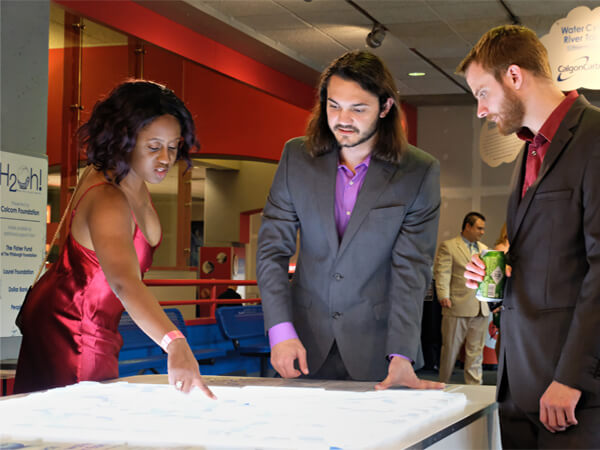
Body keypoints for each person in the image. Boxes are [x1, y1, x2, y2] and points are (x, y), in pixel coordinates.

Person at [256, 50, 443, 390]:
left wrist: (401, 353)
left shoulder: (418, 171)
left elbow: (412, 270)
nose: (343, 118)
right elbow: (272, 251)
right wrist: (280, 331)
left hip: (378, 347)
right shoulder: (295, 158)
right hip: (301, 342)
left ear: (385, 108)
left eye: (358, 108)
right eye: (334, 105)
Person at [14, 81, 214, 398]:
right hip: (73, 324)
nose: (165, 158)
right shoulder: (108, 198)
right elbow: (124, 282)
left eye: (173, 146)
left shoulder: (129, 177)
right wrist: (174, 342)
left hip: (94, 320)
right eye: (153, 146)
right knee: (78, 429)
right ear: (125, 140)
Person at [459, 25, 600, 447]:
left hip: (572, 391)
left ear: (514, 76)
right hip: (518, 386)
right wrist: (499, 276)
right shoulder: (529, 151)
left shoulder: (595, 136)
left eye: (483, 93)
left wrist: (572, 377)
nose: (481, 110)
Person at [434, 212, 489, 385]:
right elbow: (442, 272)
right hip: (456, 305)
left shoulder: (484, 249)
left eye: (483, 229)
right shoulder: (449, 246)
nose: (482, 232)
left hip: (481, 308)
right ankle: (443, 384)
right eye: (479, 228)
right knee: (450, 351)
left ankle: (475, 389)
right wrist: (443, 295)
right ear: (468, 226)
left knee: (476, 353)